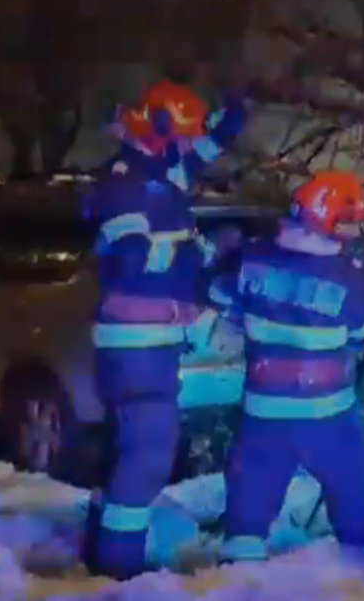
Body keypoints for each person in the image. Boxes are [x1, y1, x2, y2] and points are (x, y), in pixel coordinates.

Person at [82, 80, 247, 580]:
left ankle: (100, 548)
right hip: (136, 344)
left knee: (127, 451)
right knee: (149, 454)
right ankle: (118, 569)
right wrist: (202, 252)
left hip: (147, 343)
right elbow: (133, 260)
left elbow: (206, 148)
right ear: (155, 130)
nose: (186, 147)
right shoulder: (123, 184)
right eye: (180, 136)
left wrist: (234, 109)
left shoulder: (160, 168)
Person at [211, 170, 364, 588]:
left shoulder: (252, 259)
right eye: (348, 223)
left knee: (249, 504)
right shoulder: (346, 274)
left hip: (263, 412)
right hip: (328, 415)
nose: (352, 233)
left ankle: (237, 584)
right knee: (351, 494)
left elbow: (223, 302)